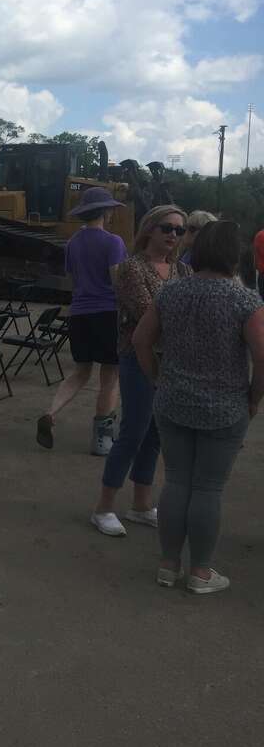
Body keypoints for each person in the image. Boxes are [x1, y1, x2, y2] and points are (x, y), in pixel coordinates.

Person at [133, 221, 264, 594]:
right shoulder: (245, 301)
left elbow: (142, 340)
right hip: (224, 408)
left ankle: (168, 565)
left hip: (173, 401)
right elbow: (262, 356)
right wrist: (253, 398)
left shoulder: (171, 292)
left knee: (176, 481)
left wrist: (158, 379)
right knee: (207, 489)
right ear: (233, 255)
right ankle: (200, 573)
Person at [90, 205, 189, 536]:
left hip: (171, 359)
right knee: (134, 429)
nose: (174, 234)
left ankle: (141, 505)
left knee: (155, 433)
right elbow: (149, 315)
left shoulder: (181, 271)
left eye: (180, 229)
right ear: (150, 229)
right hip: (138, 357)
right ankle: (103, 507)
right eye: (167, 227)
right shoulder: (133, 269)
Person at [36, 187, 127, 454]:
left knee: (80, 372)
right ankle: (102, 439)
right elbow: (116, 281)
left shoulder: (73, 243)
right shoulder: (114, 242)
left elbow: (74, 281)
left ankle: (51, 413)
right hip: (107, 313)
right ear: (107, 211)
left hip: (80, 313)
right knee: (110, 376)